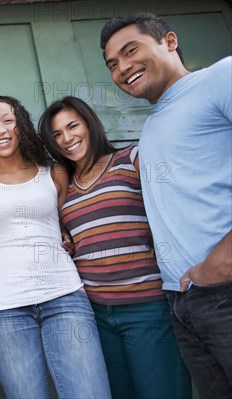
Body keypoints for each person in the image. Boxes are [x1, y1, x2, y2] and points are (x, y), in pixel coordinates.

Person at [101, 13, 232, 398]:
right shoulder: (153, 126)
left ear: (170, 42)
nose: (123, 68)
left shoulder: (219, 78)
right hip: (181, 302)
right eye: (112, 64)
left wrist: (221, 261)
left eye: (131, 51)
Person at [38, 95, 191, 399]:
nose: (67, 139)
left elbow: (176, 210)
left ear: (90, 124)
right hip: (95, 313)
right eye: (57, 135)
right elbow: (75, 236)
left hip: (146, 308)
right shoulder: (65, 185)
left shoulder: (130, 160)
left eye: (72, 126)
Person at [0, 95, 111, 399]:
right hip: (4, 306)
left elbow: (66, 224)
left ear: (21, 124)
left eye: (8, 121)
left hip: (63, 295)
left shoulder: (54, 172)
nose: (0, 130)